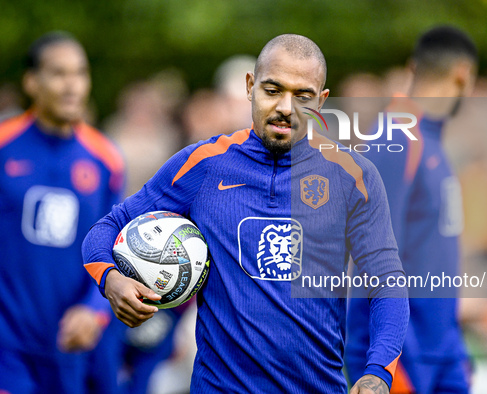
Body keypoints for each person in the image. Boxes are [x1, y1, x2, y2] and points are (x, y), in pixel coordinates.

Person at [82, 34, 409, 393]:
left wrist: (378, 372)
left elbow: (388, 282)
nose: (286, 107)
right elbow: (107, 228)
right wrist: (111, 280)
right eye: (273, 90)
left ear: (321, 100)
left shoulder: (353, 177)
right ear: (251, 86)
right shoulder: (203, 165)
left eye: (302, 96)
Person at [345, 26, 478, 393]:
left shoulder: (430, 139)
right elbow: (370, 263)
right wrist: (378, 364)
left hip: (442, 351)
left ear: (412, 67)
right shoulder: (396, 137)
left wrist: (452, 347)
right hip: (404, 361)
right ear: (464, 73)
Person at [0, 32, 125, 393]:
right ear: (31, 82)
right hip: (8, 346)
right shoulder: (5, 146)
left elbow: (113, 246)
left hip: (74, 343)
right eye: (58, 74)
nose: (72, 86)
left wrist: (94, 310)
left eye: (80, 73)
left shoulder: (106, 159)